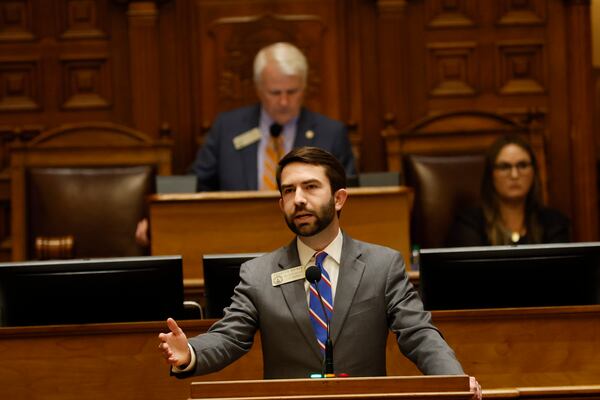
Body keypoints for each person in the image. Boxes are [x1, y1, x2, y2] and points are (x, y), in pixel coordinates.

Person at [158, 146, 481, 399]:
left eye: (310, 187)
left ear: (339, 198)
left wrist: (455, 380)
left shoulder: (383, 266)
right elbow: (230, 336)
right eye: (288, 191)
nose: (298, 199)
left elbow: (419, 334)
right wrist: (191, 353)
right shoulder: (258, 273)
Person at [190, 42, 356, 191]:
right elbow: (196, 185)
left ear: (304, 87)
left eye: (292, 92)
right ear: (259, 89)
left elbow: (347, 195)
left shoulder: (331, 134)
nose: (284, 102)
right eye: (275, 93)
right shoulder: (227, 128)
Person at [446, 134, 570, 246]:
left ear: (534, 172)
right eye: (504, 167)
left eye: (522, 165)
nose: (514, 175)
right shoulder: (469, 225)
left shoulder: (554, 224)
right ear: (491, 174)